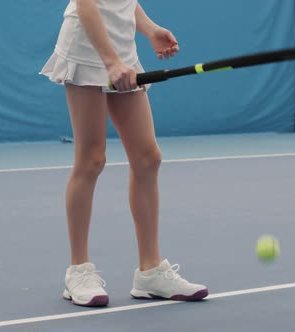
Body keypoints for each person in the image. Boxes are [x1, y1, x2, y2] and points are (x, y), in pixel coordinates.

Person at [40, 0, 208, 307]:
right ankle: (78, 271)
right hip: (87, 47)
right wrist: (111, 61)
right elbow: (86, 3)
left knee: (147, 158)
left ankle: (150, 271)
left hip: (120, 48)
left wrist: (150, 29)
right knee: (91, 160)